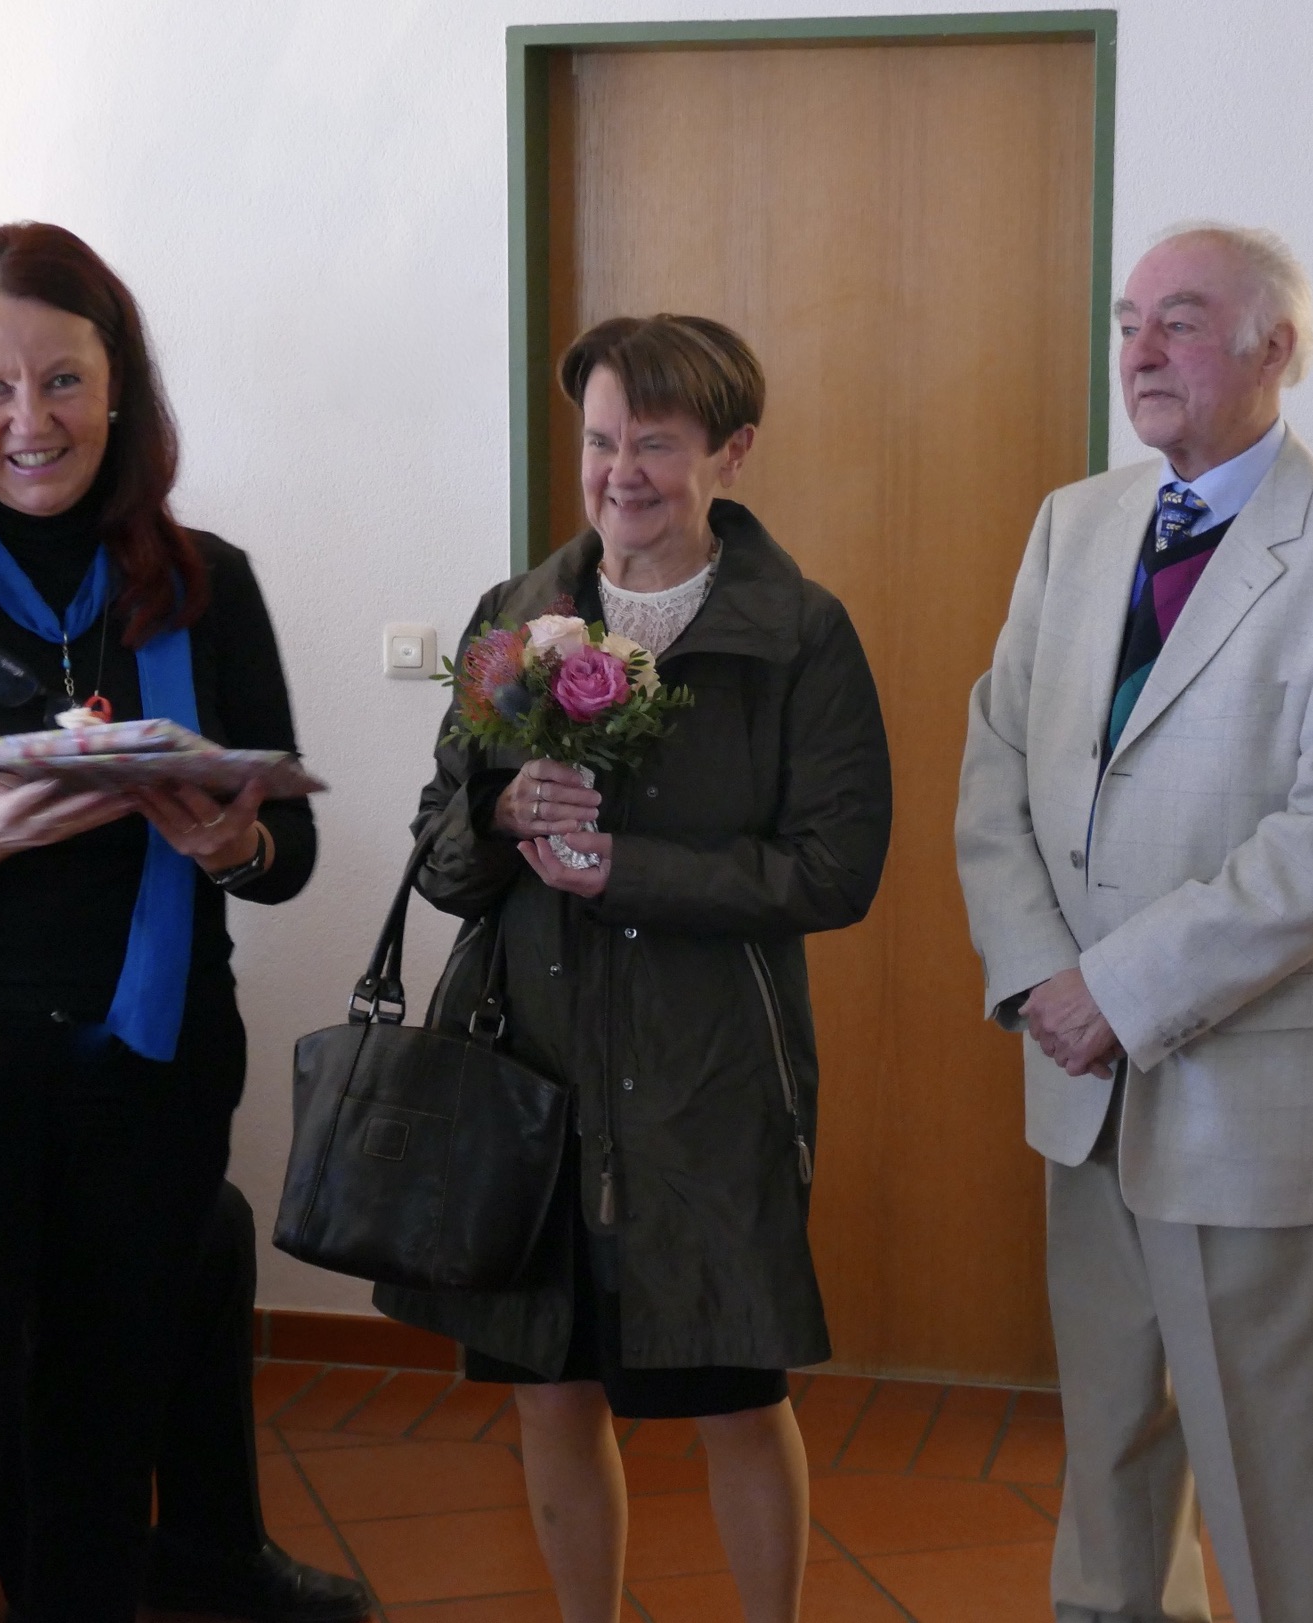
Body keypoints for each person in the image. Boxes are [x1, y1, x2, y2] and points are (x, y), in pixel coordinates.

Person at [0, 221, 322, 1623]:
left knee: (95, 1487)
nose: (29, 419)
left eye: (62, 380)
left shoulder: (207, 583)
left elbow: (291, 854)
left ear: (118, 386)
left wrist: (236, 838)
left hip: (141, 1086)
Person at [954, 225, 1313, 1623]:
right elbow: (997, 756)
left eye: (1176, 321)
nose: (1138, 350)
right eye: (1127, 321)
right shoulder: (1072, 525)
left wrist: (1114, 990)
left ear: (1272, 347)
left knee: (1275, 1471)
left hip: (1243, 1096)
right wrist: (1038, 974)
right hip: (1077, 1084)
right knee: (1109, 1446)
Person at [377, 314, 891, 1623]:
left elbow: (836, 870)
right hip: (531, 1068)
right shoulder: (513, 617)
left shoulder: (799, 634)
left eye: (654, 444)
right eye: (601, 441)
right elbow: (440, 855)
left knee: (734, 1391)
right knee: (549, 1389)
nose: (619, 474)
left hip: (706, 1075)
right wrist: (500, 813)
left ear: (732, 450)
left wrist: (633, 871)